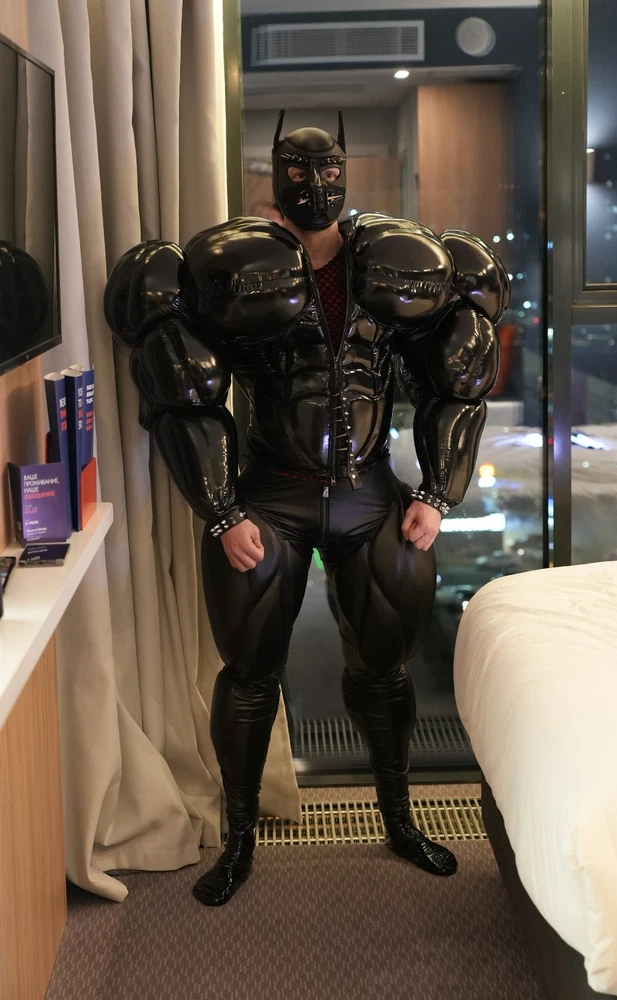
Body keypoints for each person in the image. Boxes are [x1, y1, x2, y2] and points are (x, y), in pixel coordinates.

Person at [104, 111, 508, 907]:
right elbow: (181, 383)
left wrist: (436, 492)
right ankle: (239, 841)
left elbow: (457, 373)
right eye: (298, 170)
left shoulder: (389, 263)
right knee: (249, 673)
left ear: (346, 173)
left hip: (369, 491)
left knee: (385, 668)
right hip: (271, 495)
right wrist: (222, 510)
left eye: (328, 170)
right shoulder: (235, 270)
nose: (315, 184)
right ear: (276, 175)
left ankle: (399, 818)